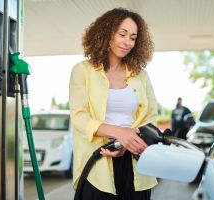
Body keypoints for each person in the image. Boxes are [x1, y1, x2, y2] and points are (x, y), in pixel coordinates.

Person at [69, 7, 158, 200]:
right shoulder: (83, 71)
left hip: (135, 163)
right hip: (97, 162)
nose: (127, 42)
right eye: (122, 34)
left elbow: (151, 116)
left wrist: (126, 144)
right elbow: (79, 117)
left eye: (133, 37)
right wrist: (119, 133)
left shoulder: (141, 76)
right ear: (107, 32)